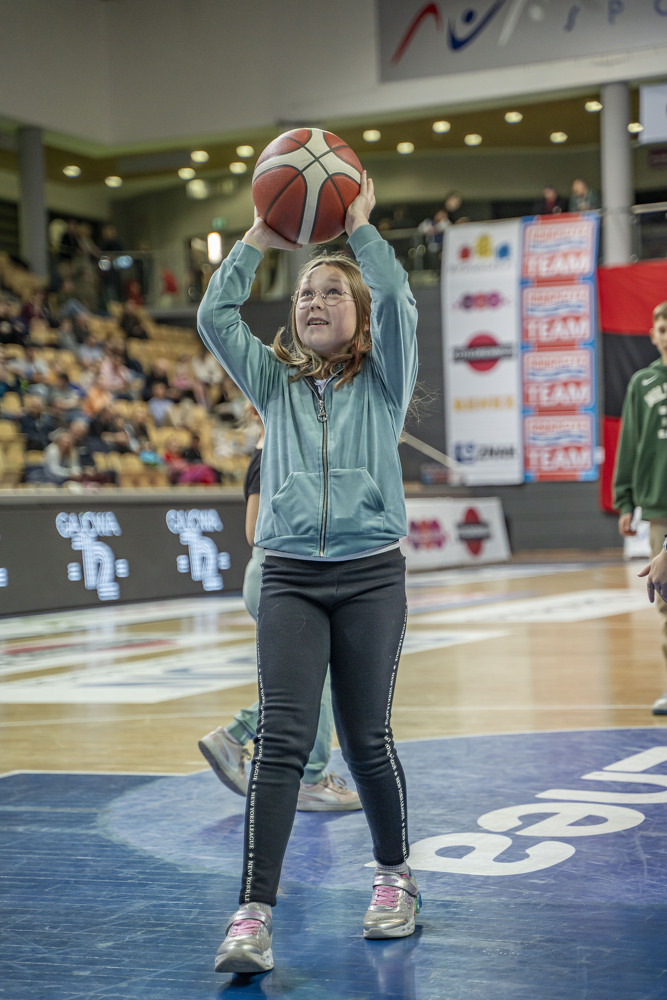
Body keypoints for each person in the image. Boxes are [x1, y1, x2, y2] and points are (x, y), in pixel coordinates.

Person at [197, 172, 421, 976]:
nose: (314, 301)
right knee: (283, 744)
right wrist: (256, 238)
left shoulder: (386, 379)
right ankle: (252, 915)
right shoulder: (272, 382)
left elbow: (399, 301)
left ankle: (394, 877)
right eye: (303, 294)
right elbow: (213, 316)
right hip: (289, 576)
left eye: (332, 292)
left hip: (369, 577)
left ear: (358, 314)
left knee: (365, 741)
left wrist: (359, 228)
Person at [198, 408, 362, 810]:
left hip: (283, 575)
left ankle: (235, 736)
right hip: (277, 575)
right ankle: (311, 778)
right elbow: (253, 530)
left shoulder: (285, 447)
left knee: (305, 677)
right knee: (314, 678)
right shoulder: (270, 450)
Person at [613, 300, 667, 715]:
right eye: (662, 328)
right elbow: (629, 442)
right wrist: (625, 499)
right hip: (660, 506)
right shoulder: (642, 383)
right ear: (653, 335)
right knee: (665, 597)